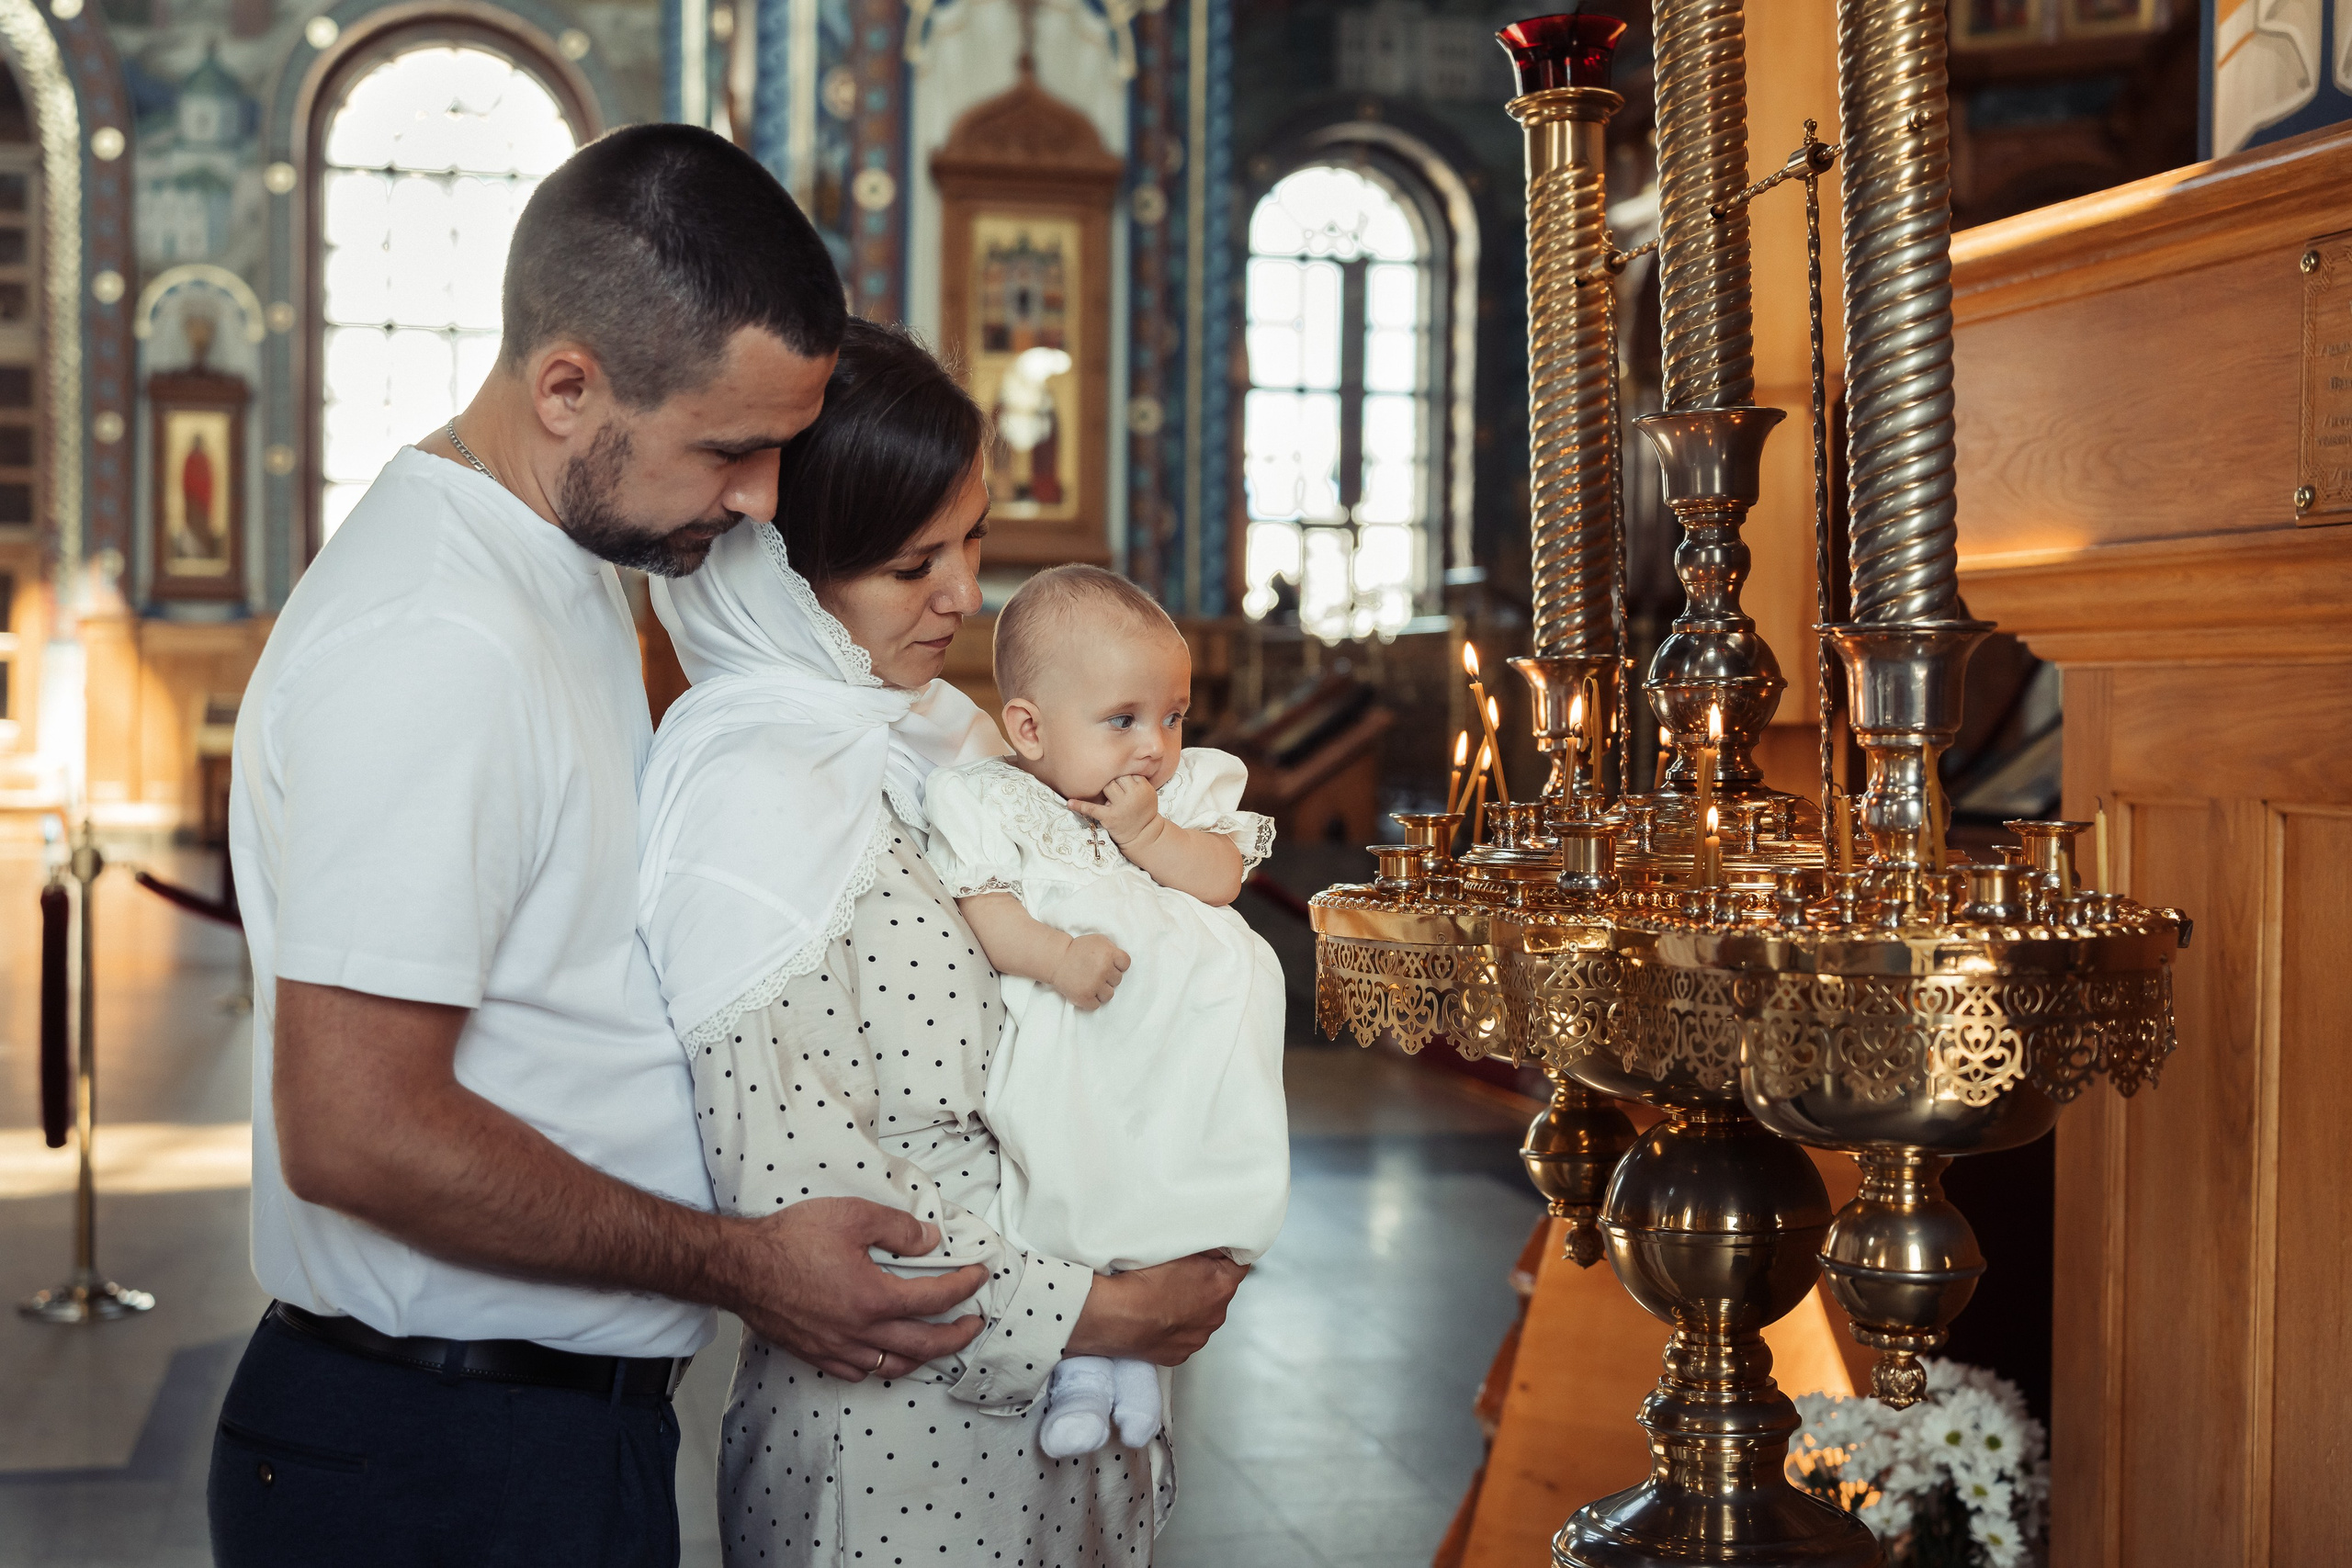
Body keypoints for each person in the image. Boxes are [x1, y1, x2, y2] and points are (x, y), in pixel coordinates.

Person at [213, 126, 989, 1568]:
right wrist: (744, 1264)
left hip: (530, 1429)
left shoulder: (564, 556)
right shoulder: (439, 638)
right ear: (567, 387)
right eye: (730, 447)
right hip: (437, 1459)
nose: (762, 498)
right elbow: (357, 1127)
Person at [637, 319, 1246, 1567]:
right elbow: (807, 1209)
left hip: (1057, 1444)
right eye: (914, 563)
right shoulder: (751, 800)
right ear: (786, 574)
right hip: (897, 1462)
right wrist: (1105, 1310)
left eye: (971, 538)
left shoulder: (936, 737)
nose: (967, 594)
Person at [922, 565, 1289, 1457]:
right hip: (1082, 1033)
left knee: (1163, 1176)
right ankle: (1086, 1368)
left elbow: (1221, 878)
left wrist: (1150, 834)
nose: (1154, 746)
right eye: (1123, 719)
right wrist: (1057, 955)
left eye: (1173, 716)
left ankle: (1142, 1362)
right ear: (1030, 729)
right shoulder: (994, 800)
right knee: (1080, 1170)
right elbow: (987, 909)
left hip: (1178, 1048)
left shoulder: (1182, 796)